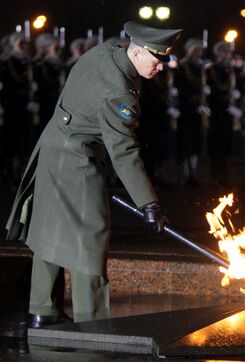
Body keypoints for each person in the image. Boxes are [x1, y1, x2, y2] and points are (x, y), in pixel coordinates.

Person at [5, 21, 179, 326]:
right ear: (137, 53)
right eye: (157, 59)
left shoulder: (105, 52)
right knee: (91, 238)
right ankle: (92, 321)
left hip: (53, 147)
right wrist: (148, 204)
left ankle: (41, 310)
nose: (162, 67)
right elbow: (124, 152)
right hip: (77, 160)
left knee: (50, 229)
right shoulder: (118, 94)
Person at [0, 32, 35, 188]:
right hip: (11, 106)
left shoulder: (27, 62)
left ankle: (22, 173)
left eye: (24, 43)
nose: (23, 46)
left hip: (26, 107)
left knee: (25, 141)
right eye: (20, 43)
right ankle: (11, 174)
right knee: (11, 141)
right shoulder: (6, 62)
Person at [173, 38, 208, 188]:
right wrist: (194, 102)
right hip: (185, 110)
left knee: (195, 144)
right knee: (186, 144)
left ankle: (193, 174)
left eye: (200, 49)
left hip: (197, 111)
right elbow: (182, 89)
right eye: (196, 48)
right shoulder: (183, 66)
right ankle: (185, 175)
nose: (199, 51)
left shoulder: (200, 67)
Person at [206, 41, 241, 186]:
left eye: (228, 52)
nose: (226, 55)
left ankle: (224, 174)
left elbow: (236, 88)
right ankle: (216, 175)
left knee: (226, 145)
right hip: (216, 112)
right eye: (223, 52)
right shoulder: (211, 70)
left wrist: (237, 96)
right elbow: (211, 92)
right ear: (218, 53)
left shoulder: (231, 70)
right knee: (216, 145)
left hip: (227, 113)